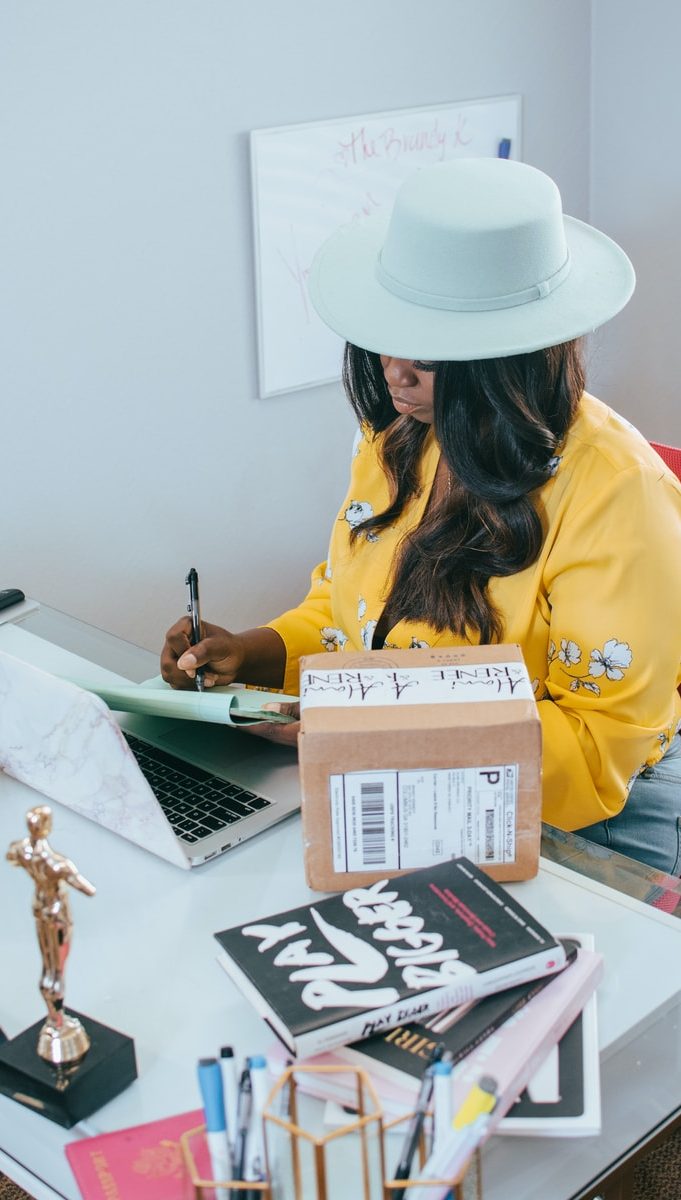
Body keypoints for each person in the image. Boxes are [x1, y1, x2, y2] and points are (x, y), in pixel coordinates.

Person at [161, 158, 681, 874]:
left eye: (429, 357)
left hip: (584, 817)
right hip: (402, 775)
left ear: (514, 357)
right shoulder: (399, 433)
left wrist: (367, 729)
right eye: (386, 336)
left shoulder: (620, 495)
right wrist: (256, 653)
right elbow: (354, 612)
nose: (391, 373)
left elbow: (595, 748)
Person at [7, 805, 96, 1062]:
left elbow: (11, 857)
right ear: (47, 828)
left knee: (48, 965)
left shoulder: (22, 850)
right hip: (58, 914)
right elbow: (87, 888)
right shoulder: (56, 863)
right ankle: (57, 1022)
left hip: (39, 909)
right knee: (57, 969)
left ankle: (54, 1019)